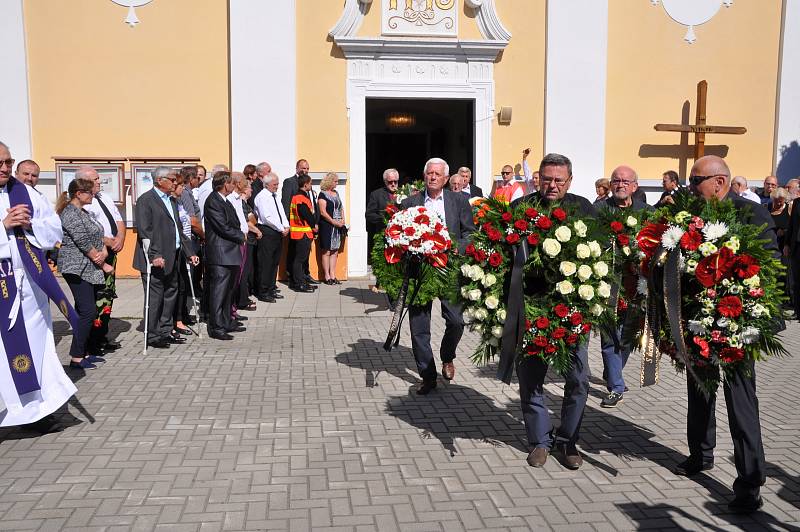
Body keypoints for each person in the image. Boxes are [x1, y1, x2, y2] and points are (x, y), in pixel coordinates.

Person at [678, 155, 775, 513]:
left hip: (737, 324)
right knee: (699, 389)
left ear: (719, 182)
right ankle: (699, 454)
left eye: (695, 180)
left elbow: (767, 269)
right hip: (700, 321)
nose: (691, 187)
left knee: (741, 402)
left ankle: (750, 482)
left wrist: (738, 309)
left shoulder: (752, 214)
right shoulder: (693, 215)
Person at [511, 153, 596, 471]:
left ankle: (568, 440)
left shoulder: (583, 207)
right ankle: (539, 441)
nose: (552, 184)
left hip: (572, 308)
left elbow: (600, 253)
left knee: (578, 378)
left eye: (559, 179)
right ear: (538, 178)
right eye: (546, 178)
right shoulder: (523, 207)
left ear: (569, 181)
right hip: (530, 307)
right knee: (530, 377)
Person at [0, 141, 78, 434]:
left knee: (37, 347)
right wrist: (4, 226)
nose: (6, 168)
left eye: (9, 162)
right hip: (1, 288)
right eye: (1, 164)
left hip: (29, 288)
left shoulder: (27, 194)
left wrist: (30, 225)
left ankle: (38, 410)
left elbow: (53, 229)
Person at [401, 158, 475, 395]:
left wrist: (458, 247)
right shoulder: (409, 202)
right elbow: (398, 235)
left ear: (445, 178)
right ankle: (428, 375)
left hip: (449, 269)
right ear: (424, 176)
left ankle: (447, 355)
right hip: (419, 271)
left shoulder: (460, 201)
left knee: (456, 321)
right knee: (419, 327)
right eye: (429, 173)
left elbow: (471, 234)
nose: (432, 177)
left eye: (437, 174)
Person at [595, 166, 653, 408]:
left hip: (636, 285)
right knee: (610, 338)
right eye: (616, 180)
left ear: (635, 186)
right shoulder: (599, 209)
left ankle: (613, 372)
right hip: (607, 283)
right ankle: (616, 387)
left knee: (627, 337)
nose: (620, 184)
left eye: (625, 181)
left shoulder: (646, 212)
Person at [133, 167, 197, 349]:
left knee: (171, 293)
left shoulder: (172, 200)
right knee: (155, 297)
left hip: (173, 255)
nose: (175, 183)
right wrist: (154, 255)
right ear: (160, 180)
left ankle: (166, 330)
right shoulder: (146, 200)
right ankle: (152, 335)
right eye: (172, 179)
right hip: (156, 258)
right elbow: (145, 231)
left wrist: (189, 252)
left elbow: (178, 229)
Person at [56, 178, 111, 369]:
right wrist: (102, 262)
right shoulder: (70, 213)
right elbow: (83, 241)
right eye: (90, 192)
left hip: (88, 266)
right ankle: (77, 356)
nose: (93, 194)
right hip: (76, 267)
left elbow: (97, 233)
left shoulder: (84, 212)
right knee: (88, 311)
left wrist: (104, 250)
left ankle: (83, 352)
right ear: (79, 193)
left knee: (84, 311)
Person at [80, 165, 126, 356]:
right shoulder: (81, 202)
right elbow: (86, 231)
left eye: (98, 179)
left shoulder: (104, 198)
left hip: (111, 252)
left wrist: (121, 238)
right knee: (93, 299)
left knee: (107, 296)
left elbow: (118, 220)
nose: (99, 182)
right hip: (96, 255)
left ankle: (101, 336)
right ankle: (89, 341)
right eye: (95, 179)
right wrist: (107, 242)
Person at [204, 171, 246, 340]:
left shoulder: (225, 200)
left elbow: (234, 222)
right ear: (224, 184)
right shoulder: (213, 201)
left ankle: (226, 320)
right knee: (219, 291)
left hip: (230, 252)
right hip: (220, 253)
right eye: (230, 182)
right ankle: (216, 326)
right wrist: (240, 236)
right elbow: (222, 226)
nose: (233, 185)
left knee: (228, 291)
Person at [253, 171, 288, 302]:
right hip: (268, 231)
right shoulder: (262, 197)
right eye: (275, 184)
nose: (277, 186)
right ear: (266, 184)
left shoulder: (274, 196)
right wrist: (280, 228)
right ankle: (263, 291)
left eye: (277, 183)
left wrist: (286, 225)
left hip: (277, 232)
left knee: (274, 262)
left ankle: (271, 288)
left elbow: (281, 212)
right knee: (266, 262)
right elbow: (266, 217)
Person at [171, 172, 197, 336]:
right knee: (177, 286)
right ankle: (176, 320)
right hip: (177, 248)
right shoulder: (172, 203)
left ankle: (180, 318)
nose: (182, 188)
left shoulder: (179, 202)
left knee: (183, 286)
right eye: (180, 186)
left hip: (185, 247)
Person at [227, 173, 255, 319]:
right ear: (238, 183)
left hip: (242, 240)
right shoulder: (231, 199)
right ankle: (230, 310)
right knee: (233, 277)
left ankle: (233, 308)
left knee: (238, 276)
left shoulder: (239, 199)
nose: (247, 184)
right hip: (236, 242)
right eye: (245, 181)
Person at [289, 174, 318, 293]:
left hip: (301, 233)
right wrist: (313, 225)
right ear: (305, 184)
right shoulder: (300, 198)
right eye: (310, 183)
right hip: (303, 233)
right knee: (300, 260)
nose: (311, 185)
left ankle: (301, 281)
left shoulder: (299, 196)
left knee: (301, 259)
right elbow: (305, 214)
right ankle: (299, 284)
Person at [366, 169, 400, 269]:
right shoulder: (376, 195)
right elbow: (369, 214)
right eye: (390, 182)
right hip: (383, 236)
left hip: (402, 237)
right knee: (384, 267)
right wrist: (384, 219)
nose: (393, 184)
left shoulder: (406, 192)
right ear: (385, 181)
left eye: (395, 181)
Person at [317, 172, 346, 284]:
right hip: (327, 226)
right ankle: (327, 276)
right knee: (327, 251)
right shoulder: (322, 194)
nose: (337, 183)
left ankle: (333, 275)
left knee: (335, 251)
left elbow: (341, 207)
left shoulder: (336, 193)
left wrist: (343, 220)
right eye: (335, 181)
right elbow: (323, 212)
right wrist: (333, 222)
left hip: (338, 226)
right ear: (329, 181)